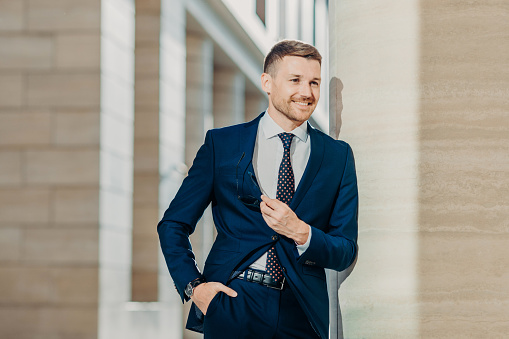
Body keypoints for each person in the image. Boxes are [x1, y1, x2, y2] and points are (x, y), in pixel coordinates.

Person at [158, 40, 358, 339]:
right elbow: (173, 224)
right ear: (267, 82)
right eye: (295, 80)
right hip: (233, 300)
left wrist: (302, 232)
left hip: (301, 309)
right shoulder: (222, 145)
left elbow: (345, 249)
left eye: (314, 82)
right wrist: (194, 287)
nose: (307, 92)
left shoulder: (337, 156)